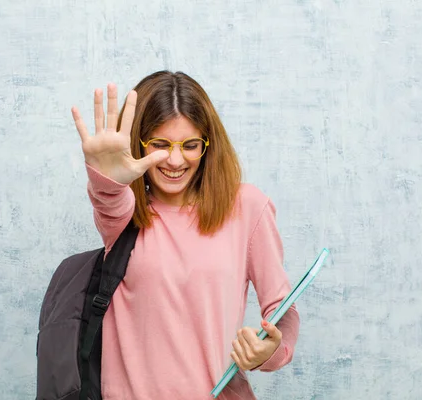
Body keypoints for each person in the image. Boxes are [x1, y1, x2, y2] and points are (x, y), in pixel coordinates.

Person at [70, 70, 300, 400]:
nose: (176, 160)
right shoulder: (123, 214)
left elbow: (284, 313)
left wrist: (269, 352)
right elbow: (108, 198)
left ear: (207, 145)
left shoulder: (248, 207)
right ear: (139, 144)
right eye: (160, 145)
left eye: (190, 145)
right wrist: (107, 177)